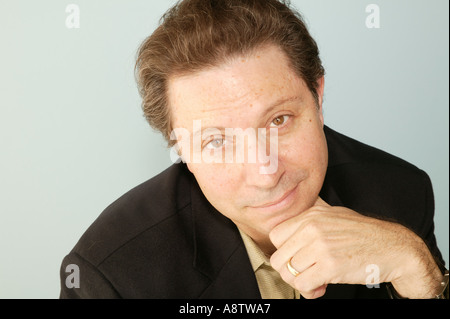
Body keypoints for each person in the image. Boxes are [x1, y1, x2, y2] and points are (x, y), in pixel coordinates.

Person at [59, 0, 448, 299]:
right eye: (216, 141)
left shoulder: (402, 193)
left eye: (278, 121)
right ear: (181, 149)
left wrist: (417, 270)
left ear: (318, 96)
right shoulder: (110, 275)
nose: (265, 174)